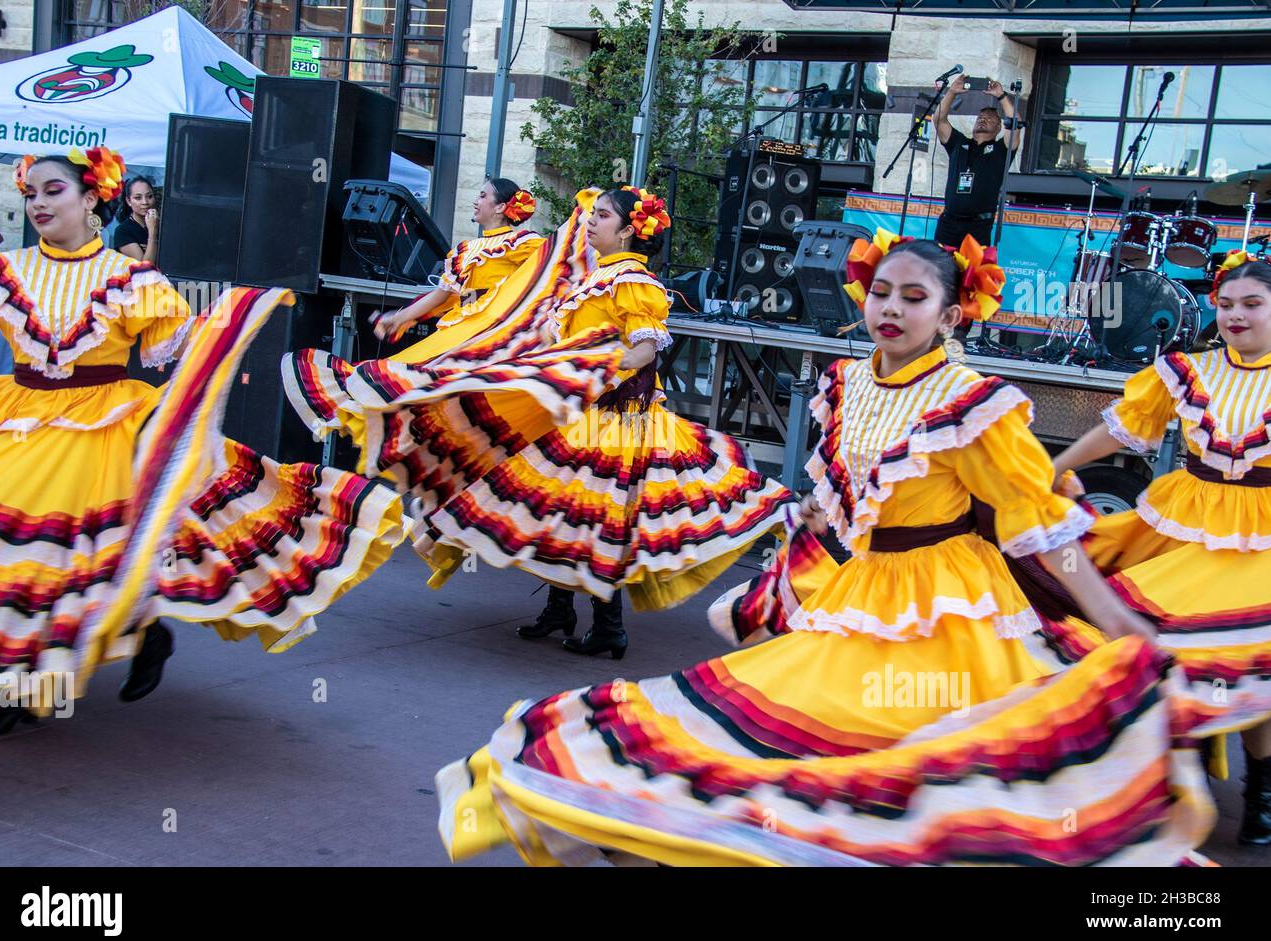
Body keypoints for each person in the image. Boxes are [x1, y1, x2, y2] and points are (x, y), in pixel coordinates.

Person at [430, 230, 1194, 868]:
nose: (890, 308)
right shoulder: (843, 383)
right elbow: (837, 512)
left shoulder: (974, 402)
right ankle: (644, 826)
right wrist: (789, 570)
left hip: (950, 613)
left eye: (914, 297)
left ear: (952, 312)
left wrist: (1115, 626)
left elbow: (1039, 525)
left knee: (910, 773)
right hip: (858, 596)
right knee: (762, 736)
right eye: (881, 292)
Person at [0, 147, 406, 737]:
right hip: (14, 416)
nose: (39, 203)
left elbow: (181, 342)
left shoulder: (128, 277)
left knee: (69, 553)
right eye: (31, 194)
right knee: (7, 550)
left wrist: (236, 314)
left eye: (53, 190)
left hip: (101, 424)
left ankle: (83, 659)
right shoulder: (0, 270)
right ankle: (74, 658)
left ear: (92, 198)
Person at [284, 186, 794, 658]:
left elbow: (644, 349)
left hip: (615, 421)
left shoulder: (634, 281)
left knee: (597, 516)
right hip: (582, 411)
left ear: (628, 231)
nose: (592, 222)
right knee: (560, 508)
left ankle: (609, 626)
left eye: (603, 216)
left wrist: (597, 371)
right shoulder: (597, 275)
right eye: (593, 215)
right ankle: (559, 608)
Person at [1046, 251, 1271, 846]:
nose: (1235, 316)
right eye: (1225, 305)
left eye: (1252, 305)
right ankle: (1175, 778)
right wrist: (1053, 467)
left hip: (1262, 543)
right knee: (1160, 651)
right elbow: (1122, 429)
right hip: (1185, 529)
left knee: (1252, 662)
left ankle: (1261, 791)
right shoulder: (1186, 371)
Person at [369, 178, 544, 365]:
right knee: (411, 368)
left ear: (500, 207)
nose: (476, 201)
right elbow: (440, 296)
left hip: (492, 327)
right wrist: (398, 317)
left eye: (483, 196)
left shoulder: (522, 242)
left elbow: (554, 264)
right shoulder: (465, 250)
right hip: (462, 324)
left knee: (437, 373)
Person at [932, 74, 1019, 249]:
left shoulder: (1001, 150)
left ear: (998, 127)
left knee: (973, 274)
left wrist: (1001, 96)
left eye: (989, 118)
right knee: (940, 270)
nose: (983, 120)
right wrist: (952, 92)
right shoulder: (959, 143)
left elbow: (1016, 124)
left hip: (978, 227)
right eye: (980, 117)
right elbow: (938, 120)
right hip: (949, 222)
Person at [111, 174, 159, 262]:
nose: (145, 202)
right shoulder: (123, 231)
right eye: (138, 198)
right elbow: (145, 269)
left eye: (149, 196)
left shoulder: (161, 225)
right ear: (129, 201)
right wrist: (153, 233)